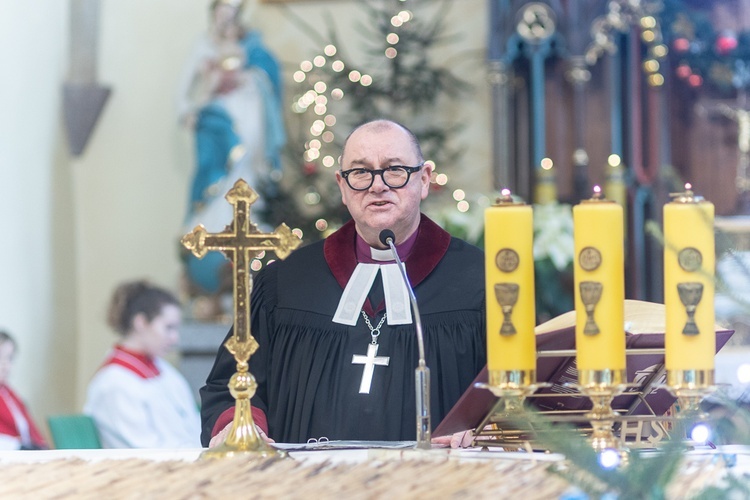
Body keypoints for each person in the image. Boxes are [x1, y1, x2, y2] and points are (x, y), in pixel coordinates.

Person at [200, 119, 486, 445]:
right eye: (361, 172)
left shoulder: (479, 283)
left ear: (423, 180)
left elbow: (516, 395)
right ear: (342, 187)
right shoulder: (286, 283)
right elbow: (230, 384)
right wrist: (246, 431)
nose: (378, 186)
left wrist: (485, 428)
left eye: (394, 170)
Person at [177, 0, 285, 295]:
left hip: (248, 121)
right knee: (215, 177)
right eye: (220, 18)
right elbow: (186, 94)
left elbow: (269, 82)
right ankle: (215, 217)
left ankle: (249, 213)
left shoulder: (254, 48)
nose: (225, 25)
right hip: (215, 120)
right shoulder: (203, 48)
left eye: (230, 18)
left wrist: (244, 77)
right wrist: (208, 85)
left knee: (246, 170)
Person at [84, 281, 201, 448]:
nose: (175, 338)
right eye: (168, 328)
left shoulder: (165, 371)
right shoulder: (114, 383)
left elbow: (194, 428)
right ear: (140, 323)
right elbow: (147, 449)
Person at [0, 331, 48, 450]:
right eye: (1, 358)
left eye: (10, 358)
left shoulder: (10, 395)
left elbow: (32, 434)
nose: (6, 365)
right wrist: (18, 447)